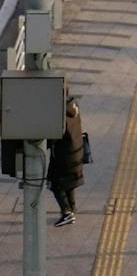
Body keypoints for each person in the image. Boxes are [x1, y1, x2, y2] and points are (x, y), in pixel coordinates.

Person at [47, 92, 87, 226]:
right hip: (77, 150)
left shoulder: (60, 113)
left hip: (64, 154)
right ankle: (72, 208)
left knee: (55, 183)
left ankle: (66, 212)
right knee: (69, 181)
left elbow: (54, 136)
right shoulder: (72, 105)